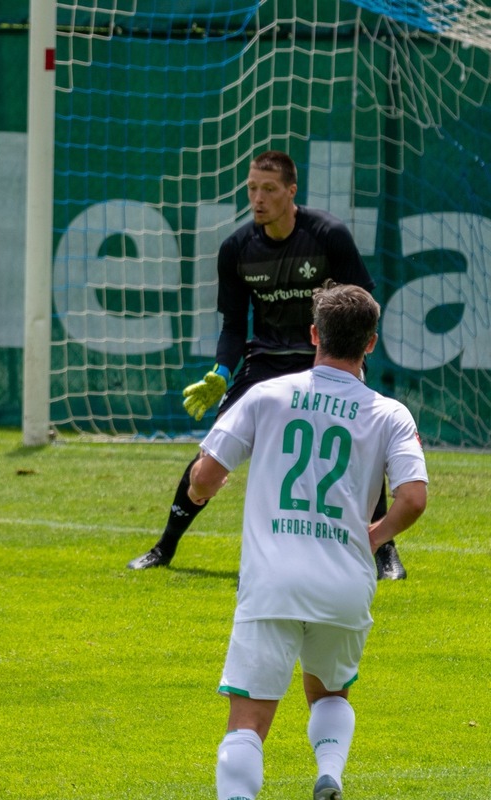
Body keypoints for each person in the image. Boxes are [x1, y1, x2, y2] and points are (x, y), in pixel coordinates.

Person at [192, 281, 427, 800]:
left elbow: (205, 476)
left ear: (314, 333)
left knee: (247, 722)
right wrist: (374, 537)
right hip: (345, 581)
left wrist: (199, 487)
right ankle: (329, 774)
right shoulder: (390, 414)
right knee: (328, 692)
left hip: (272, 582)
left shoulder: (268, 395)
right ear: (370, 343)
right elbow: (413, 498)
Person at [126, 150, 408, 581]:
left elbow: (363, 305)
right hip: (264, 365)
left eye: (269, 189)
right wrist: (222, 371)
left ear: (292, 192)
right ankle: (165, 546)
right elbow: (234, 326)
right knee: (211, 455)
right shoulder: (237, 249)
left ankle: (384, 552)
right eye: (252, 188)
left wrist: (352, 358)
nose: (258, 198)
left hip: (326, 358)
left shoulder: (328, 235)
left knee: (356, 446)